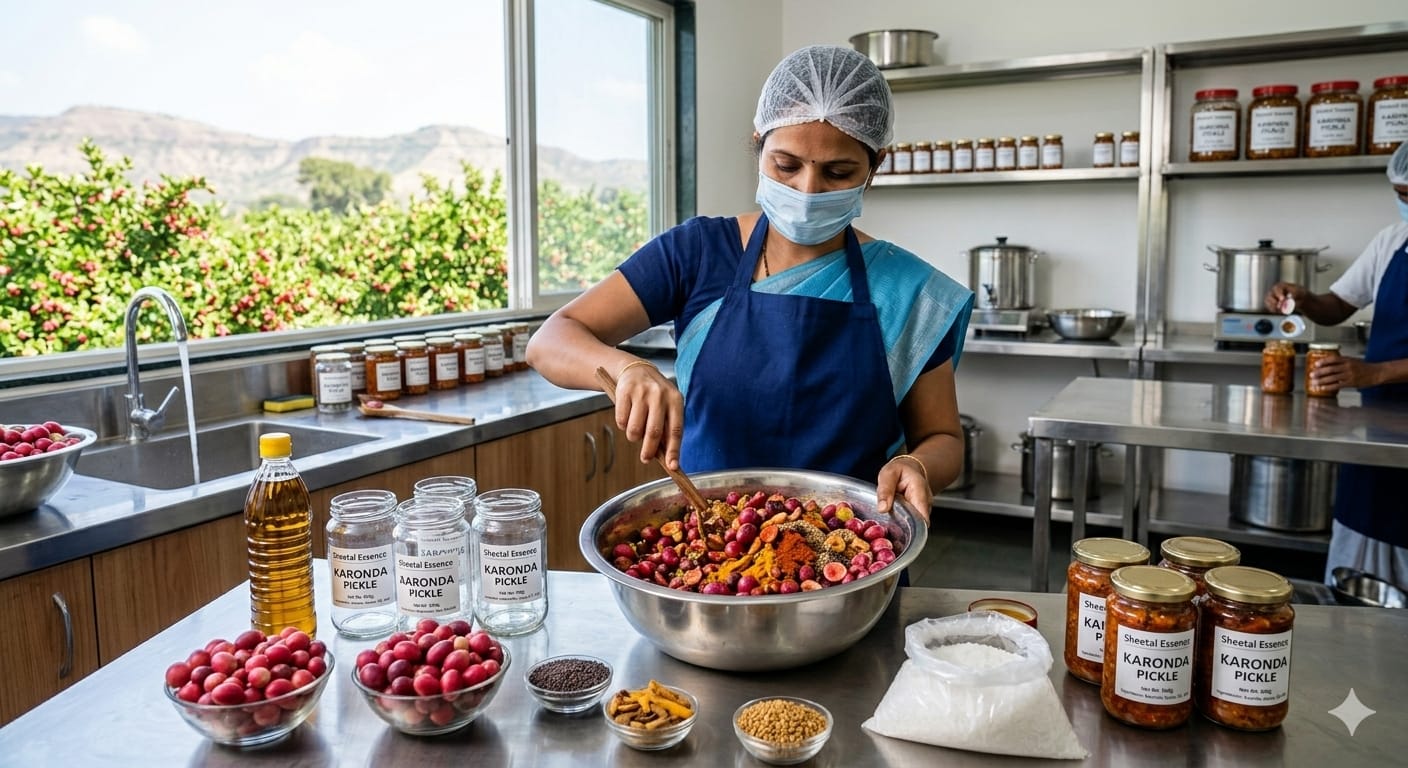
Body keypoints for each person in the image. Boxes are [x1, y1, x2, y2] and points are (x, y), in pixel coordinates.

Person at [526, 44, 973, 525]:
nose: (807, 191)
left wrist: (918, 465)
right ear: (758, 145)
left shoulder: (910, 291)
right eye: (786, 165)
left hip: (852, 548)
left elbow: (943, 438)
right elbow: (551, 339)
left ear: (875, 166)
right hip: (711, 545)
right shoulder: (698, 252)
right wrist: (627, 367)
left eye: (838, 172)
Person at [1264, 140, 1408, 591]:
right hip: (1378, 419)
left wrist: (1375, 371)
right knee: (1363, 526)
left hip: (1385, 394)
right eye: (1401, 195)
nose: (1405, 204)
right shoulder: (1392, 240)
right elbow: (1338, 306)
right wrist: (1306, 298)